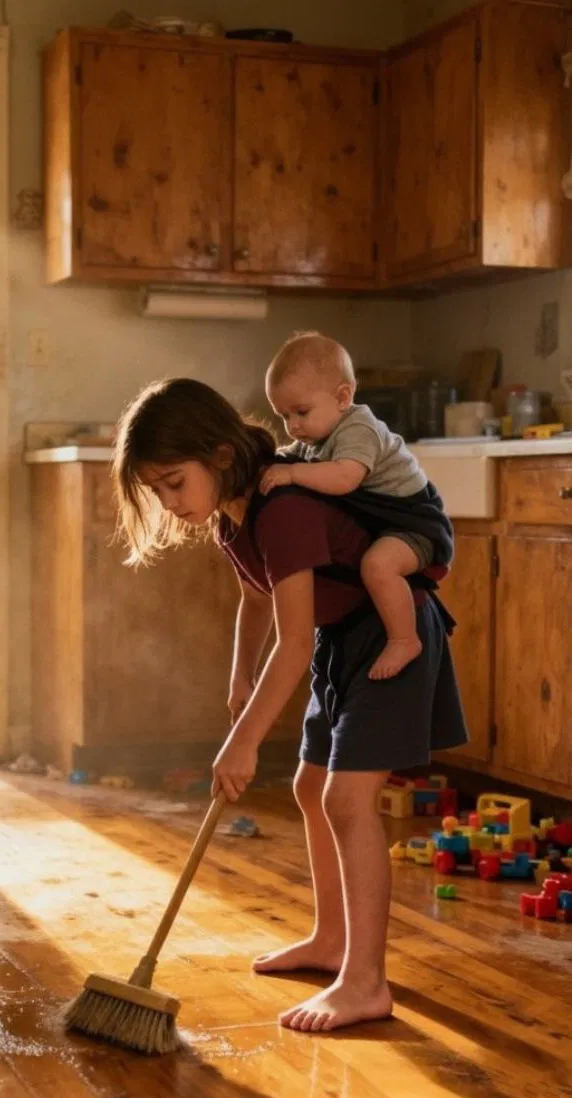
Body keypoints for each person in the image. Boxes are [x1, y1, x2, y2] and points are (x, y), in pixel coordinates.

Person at [112, 378, 466, 1033]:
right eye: (156, 492)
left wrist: (245, 740)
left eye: (173, 483)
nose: (169, 503)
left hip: (390, 637)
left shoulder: (285, 510)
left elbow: (295, 643)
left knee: (346, 799)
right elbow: (258, 598)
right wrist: (240, 675)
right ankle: (331, 941)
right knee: (310, 787)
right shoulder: (231, 516)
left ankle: (365, 982)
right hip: (341, 639)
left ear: (220, 456)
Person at [259, 331, 452, 681]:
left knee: (378, 565)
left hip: (415, 524)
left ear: (343, 397)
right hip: (384, 522)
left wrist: (291, 473)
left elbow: (344, 477)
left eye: (301, 412)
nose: (293, 426)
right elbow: (289, 457)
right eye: (284, 416)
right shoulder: (315, 437)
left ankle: (404, 639)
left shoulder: (358, 428)